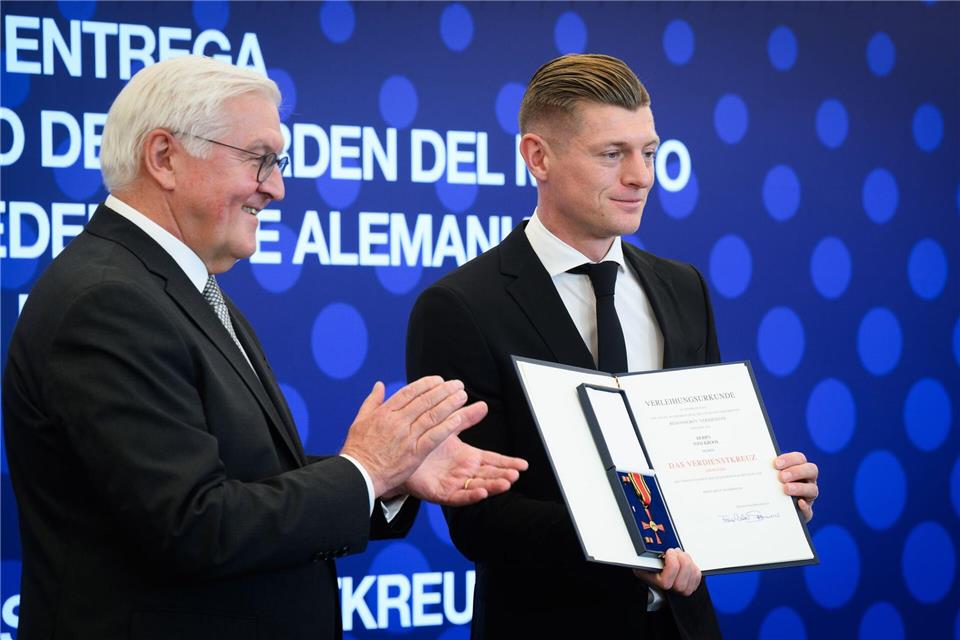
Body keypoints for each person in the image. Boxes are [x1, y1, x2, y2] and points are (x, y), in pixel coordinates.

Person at [2, 55, 527, 640]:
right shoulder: (109, 302)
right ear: (164, 157)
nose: (276, 188)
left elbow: (242, 484)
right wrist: (363, 471)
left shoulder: (173, 288)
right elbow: (195, 526)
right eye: (259, 158)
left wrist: (390, 475)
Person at [406, 53, 819, 639]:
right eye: (612, 154)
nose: (641, 176)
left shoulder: (683, 287)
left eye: (648, 152)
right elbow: (480, 516)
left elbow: (698, 457)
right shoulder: (460, 307)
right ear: (538, 157)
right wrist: (631, 545)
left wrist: (766, 495)